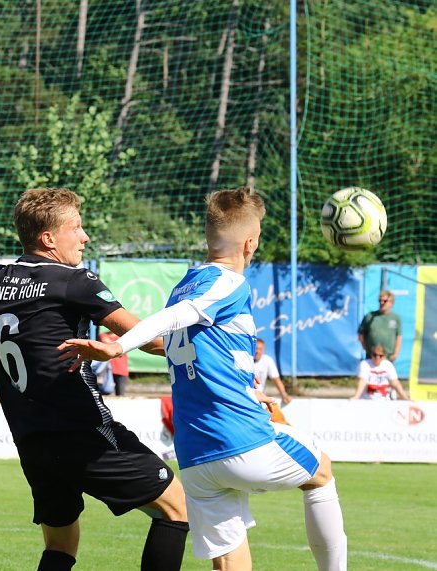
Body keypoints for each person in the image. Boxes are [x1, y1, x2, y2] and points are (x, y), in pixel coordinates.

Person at [0, 187, 189, 571]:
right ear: (48, 239)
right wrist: (209, 338)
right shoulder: (74, 280)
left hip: (32, 441)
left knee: (62, 542)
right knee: (176, 507)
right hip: (83, 433)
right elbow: (153, 340)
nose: (85, 236)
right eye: (76, 228)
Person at [61, 187, 347, 571]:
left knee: (230, 559)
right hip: (240, 437)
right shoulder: (227, 283)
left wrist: (248, 387)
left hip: (196, 454)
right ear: (250, 242)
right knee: (322, 473)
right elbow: (179, 317)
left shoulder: (185, 282)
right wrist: (119, 346)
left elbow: (205, 343)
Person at [358, 290, 402, 363]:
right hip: (372, 357)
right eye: (380, 301)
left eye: (385, 301)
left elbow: (398, 337)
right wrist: (367, 350)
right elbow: (361, 335)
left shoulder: (395, 318)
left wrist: (395, 354)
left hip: (388, 357)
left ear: (392, 303)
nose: (382, 303)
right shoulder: (370, 316)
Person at [253, 338, 291, 404]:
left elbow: (276, 379)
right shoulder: (245, 360)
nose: (257, 351)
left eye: (260, 349)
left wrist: (284, 394)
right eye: (256, 348)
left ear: (263, 350)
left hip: (260, 398)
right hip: (246, 396)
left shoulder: (267, 360)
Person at [99, 329, 129, 396]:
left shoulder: (124, 336)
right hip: (106, 370)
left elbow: (122, 349)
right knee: (104, 394)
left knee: (120, 395)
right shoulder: (103, 335)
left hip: (121, 370)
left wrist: (110, 344)